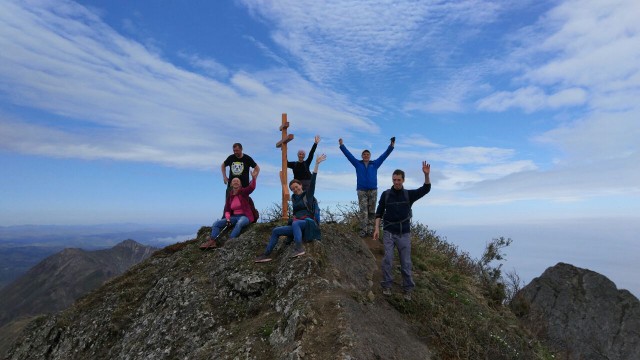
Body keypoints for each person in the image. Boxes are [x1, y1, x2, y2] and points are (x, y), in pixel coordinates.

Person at [373, 161, 431, 300]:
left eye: (399, 180)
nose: (396, 182)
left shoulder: (408, 195)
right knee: (388, 259)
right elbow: (379, 213)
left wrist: (426, 175)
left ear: (403, 180)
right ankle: (386, 285)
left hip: (404, 233)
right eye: (394, 180)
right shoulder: (386, 194)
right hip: (388, 232)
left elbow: (425, 189)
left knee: (406, 262)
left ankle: (408, 289)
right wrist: (376, 229)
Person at [254, 154, 327, 263]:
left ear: (301, 185)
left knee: (296, 223)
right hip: (297, 224)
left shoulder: (308, 195)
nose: (295, 190)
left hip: (308, 223)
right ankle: (266, 254)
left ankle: (299, 248)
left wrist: (316, 164)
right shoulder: (294, 198)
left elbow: (313, 182)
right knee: (276, 231)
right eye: (293, 189)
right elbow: (295, 214)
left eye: (296, 187)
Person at [339, 137, 395, 237]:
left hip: (373, 190)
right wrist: (342, 146)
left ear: (370, 156)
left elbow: (384, 155)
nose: (366, 156)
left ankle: (370, 230)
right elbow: (349, 155)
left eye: (367, 154)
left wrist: (391, 146)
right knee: (363, 211)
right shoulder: (357, 164)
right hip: (361, 190)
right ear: (362, 156)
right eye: (364, 154)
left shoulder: (375, 164)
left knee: (372, 211)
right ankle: (362, 231)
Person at [201, 167, 259, 249]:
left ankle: (230, 240)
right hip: (234, 217)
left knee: (240, 223)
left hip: (245, 216)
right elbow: (227, 210)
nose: (236, 182)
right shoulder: (230, 196)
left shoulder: (244, 192)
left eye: (237, 181)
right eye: (234, 181)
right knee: (216, 224)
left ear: (240, 184)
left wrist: (253, 178)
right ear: (231, 184)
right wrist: (228, 219)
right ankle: (212, 241)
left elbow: (251, 187)